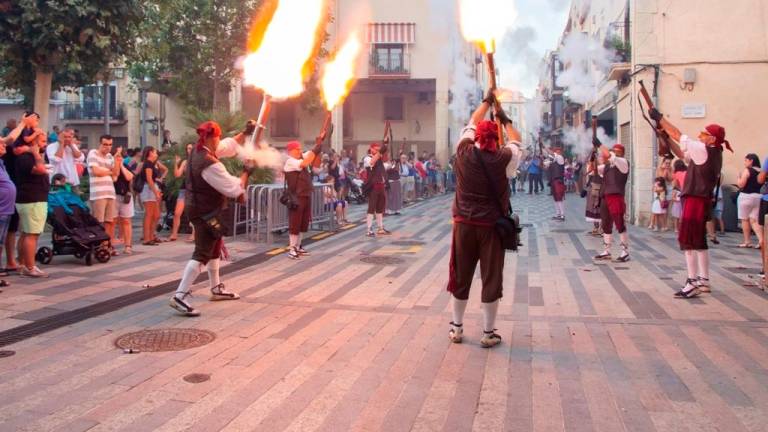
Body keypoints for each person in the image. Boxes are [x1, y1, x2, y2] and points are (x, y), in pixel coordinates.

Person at [447, 91, 522, 348]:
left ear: (476, 137)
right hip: (491, 227)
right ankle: (488, 333)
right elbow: (516, 140)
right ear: (494, 138)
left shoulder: (464, 152)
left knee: (461, 274)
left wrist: (487, 103)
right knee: (491, 278)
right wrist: (504, 118)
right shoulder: (505, 159)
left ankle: (456, 328)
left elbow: (471, 120)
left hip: (464, 225)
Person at [169, 121, 246, 316]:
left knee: (215, 247)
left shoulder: (199, 149)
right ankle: (180, 295)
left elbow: (227, 146)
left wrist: (245, 132)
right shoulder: (210, 164)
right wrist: (247, 172)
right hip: (205, 212)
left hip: (202, 208)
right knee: (202, 253)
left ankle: (216, 288)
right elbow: (235, 189)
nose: (219, 141)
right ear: (213, 138)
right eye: (218, 137)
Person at [652, 108, 730, 298]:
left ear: (712, 139)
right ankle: (703, 279)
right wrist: (664, 137)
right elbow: (681, 152)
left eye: (705, 134)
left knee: (688, 241)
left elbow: (679, 135)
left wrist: (661, 119)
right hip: (701, 199)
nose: (701, 136)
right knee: (700, 242)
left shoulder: (705, 150)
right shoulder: (713, 153)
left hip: (695, 198)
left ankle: (692, 281)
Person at [15, 127, 50, 278]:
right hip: (32, 199)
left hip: (31, 199)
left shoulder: (33, 155)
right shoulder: (27, 157)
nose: (45, 144)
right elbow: (41, 170)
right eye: (42, 141)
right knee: (32, 234)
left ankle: (22, 263)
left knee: (25, 233)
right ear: (33, 142)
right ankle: (30, 266)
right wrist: (35, 152)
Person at [284, 138, 323, 259]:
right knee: (295, 222)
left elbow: (312, 155)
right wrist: (315, 149)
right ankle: (292, 248)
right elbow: (305, 163)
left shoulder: (302, 156)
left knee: (303, 223)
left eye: (300, 149)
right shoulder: (290, 161)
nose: (299, 151)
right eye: (297, 149)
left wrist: (319, 143)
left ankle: (299, 246)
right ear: (290, 151)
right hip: (296, 196)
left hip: (305, 194)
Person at [592, 141, 631, 262]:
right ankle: (607, 250)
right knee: (606, 224)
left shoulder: (624, 163)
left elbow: (609, 156)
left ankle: (625, 251)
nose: (614, 153)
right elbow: (595, 169)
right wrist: (593, 156)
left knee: (619, 223)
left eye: (617, 152)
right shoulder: (608, 166)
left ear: (622, 154)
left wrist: (599, 145)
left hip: (616, 196)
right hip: (605, 196)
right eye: (614, 151)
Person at [87, 135, 121, 254]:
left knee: (109, 221)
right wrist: (110, 172)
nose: (107, 147)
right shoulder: (93, 153)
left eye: (110, 145)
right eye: (105, 144)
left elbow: (116, 176)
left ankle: (107, 245)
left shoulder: (110, 156)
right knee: (99, 222)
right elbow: (96, 171)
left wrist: (117, 162)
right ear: (100, 143)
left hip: (110, 192)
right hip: (98, 194)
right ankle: (98, 246)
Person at [0, 119, 23, 287]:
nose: (4, 147)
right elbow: (8, 139)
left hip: (5, 209)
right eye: (0, 145)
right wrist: (23, 124)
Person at [364, 142, 391, 237]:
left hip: (381, 185)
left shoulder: (379, 158)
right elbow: (372, 162)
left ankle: (380, 227)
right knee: (371, 207)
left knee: (380, 208)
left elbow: (387, 165)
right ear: (371, 149)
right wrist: (380, 152)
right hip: (373, 186)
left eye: (378, 149)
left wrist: (385, 147)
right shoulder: (367, 158)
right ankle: (369, 229)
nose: (377, 150)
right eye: (376, 149)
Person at [46, 128, 85, 193]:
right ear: (59, 137)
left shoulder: (73, 146)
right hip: (57, 182)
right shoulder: (51, 146)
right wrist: (61, 144)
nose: (67, 139)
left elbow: (80, 158)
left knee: (75, 202)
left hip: (72, 182)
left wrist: (71, 146)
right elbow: (57, 159)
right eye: (64, 137)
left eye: (69, 137)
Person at [736, 153, 762, 248]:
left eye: (746, 160)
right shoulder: (761, 171)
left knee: (745, 219)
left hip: (746, 196)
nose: (744, 163)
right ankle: (761, 240)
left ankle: (747, 241)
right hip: (758, 197)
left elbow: (741, 184)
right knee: (754, 220)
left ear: (751, 161)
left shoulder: (748, 170)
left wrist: (738, 178)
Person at [169, 144, 194, 241]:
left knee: (193, 213)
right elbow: (177, 175)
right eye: (187, 148)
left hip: (194, 189)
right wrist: (176, 163)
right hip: (184, 188)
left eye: (191, 148)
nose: (189, 150)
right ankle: (174, 234)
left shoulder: (198, 160)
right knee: (177, 212)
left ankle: (194, 234)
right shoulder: (185, 162)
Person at [113, 147, 135, 255]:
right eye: (117, 156)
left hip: (125, 196)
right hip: (114, 196)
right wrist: (116, 165)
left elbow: (129, 177)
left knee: (126, 221)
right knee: (112, 222)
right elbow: (114, 178)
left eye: (120, 156)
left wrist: (121, 165)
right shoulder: (110, 166)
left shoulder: (124, 166)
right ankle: (110, 246)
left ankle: (128, 245)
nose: (119, 158)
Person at [140, 147, 164, 245]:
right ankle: (147, 238)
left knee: (156, 214)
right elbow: (149, 179)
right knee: (149, 214)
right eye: (155, 152)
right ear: (150, 153)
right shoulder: (148, 164)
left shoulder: (151, 164)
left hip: (151, 188)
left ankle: (151, 236)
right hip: (148, 189)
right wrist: (155, 192)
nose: (156, 153)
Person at [544, 145, 566, 221]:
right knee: (555, 198)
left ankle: (562, 215)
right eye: (556, 151)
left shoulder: (560, 157)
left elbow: (554, 156)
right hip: (553, 180)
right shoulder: (553, 160)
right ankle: (558, 214)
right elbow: (545, 167)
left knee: (559, 197)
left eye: (558, 151)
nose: (557, 152)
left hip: (558, 180)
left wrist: (545, 147)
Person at [584, 152, 603, 236]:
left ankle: (601, 229)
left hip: (600, 190)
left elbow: (595, 169)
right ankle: (596, 228)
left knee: (599, 210)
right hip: (592, 190)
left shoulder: (602, 167)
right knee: (593, 209)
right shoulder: (592, 167)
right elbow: (589, 170)